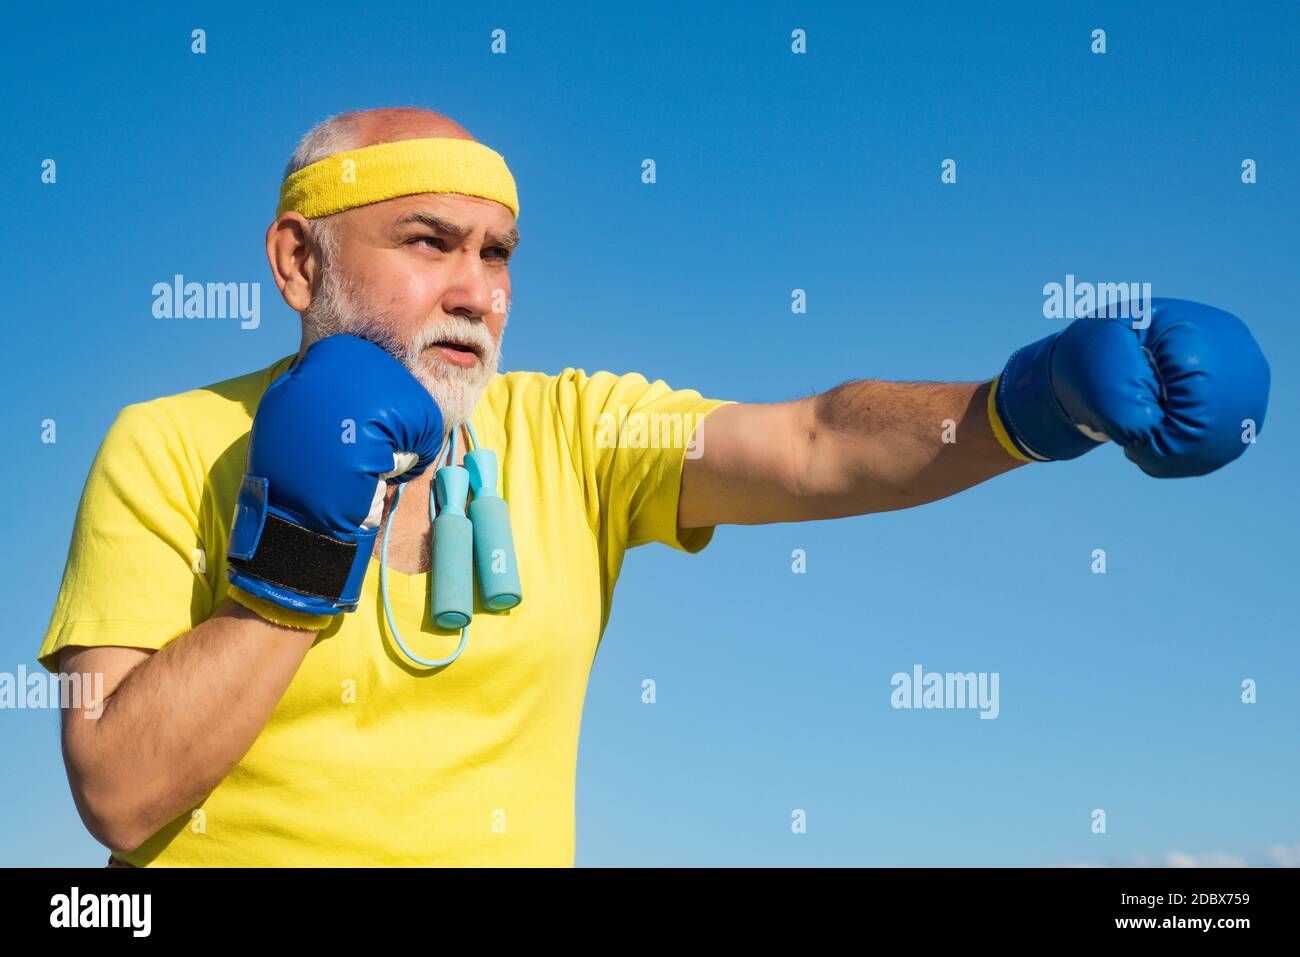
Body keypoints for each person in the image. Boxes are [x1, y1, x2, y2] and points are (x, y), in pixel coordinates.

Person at [39, 107, 1270, 867]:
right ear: (297, 261)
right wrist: (299, 554)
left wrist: (1028, 404)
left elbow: (815, 444)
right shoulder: (170, 443)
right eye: (427, 242)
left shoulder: (572, 430)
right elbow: (118, 792)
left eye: (497, 253)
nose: (477, 291)